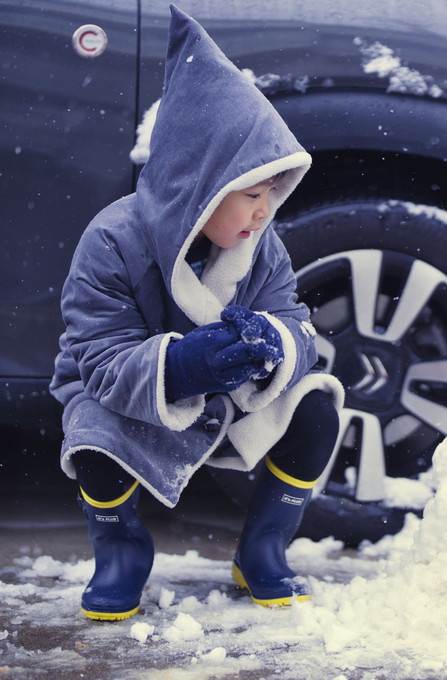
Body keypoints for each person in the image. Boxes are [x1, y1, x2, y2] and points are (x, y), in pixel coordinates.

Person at [49, 6, 344, 621]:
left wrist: (274, 342)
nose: (265, 213)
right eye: (252, 194)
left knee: (317, 403)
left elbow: (299, 327)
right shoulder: (112, 241)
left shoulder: (263, 250)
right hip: (130, 395)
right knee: (94, 432)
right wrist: (180, 367)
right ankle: (121, 552)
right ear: (198, 183)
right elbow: (97, 358)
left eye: (273, 196)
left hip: (230, 396)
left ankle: (263, 547)